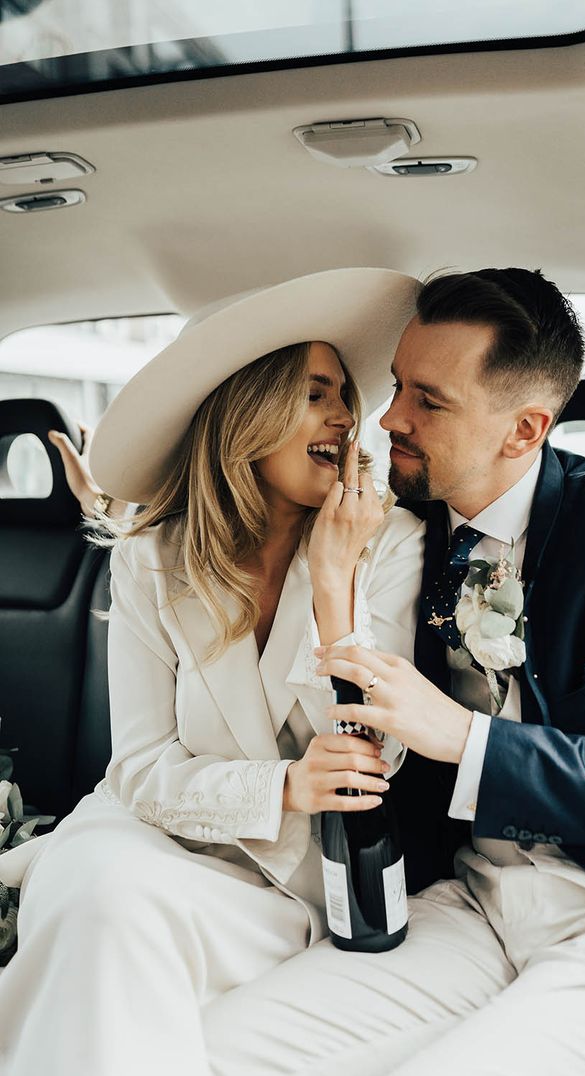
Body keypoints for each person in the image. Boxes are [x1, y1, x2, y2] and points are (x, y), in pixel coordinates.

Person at [201, 269, 585, 1076]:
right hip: (471, 901)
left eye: (428, 401)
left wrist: (466, 740)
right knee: (218, 1050)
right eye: (398, 384)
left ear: (524, 429)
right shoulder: (396, 530)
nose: (387, 418)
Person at [0, 267, 426, 1076]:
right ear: (247, 414)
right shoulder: (150, 559)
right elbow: (138, 769)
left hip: (280, 884)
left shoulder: (390, 543)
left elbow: (379, 760)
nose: (348, 417)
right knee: (97, 888)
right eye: (317, 393)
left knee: (108, 911)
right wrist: (283, 788)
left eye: (346, 396)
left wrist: (334, 586)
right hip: (142, 836)